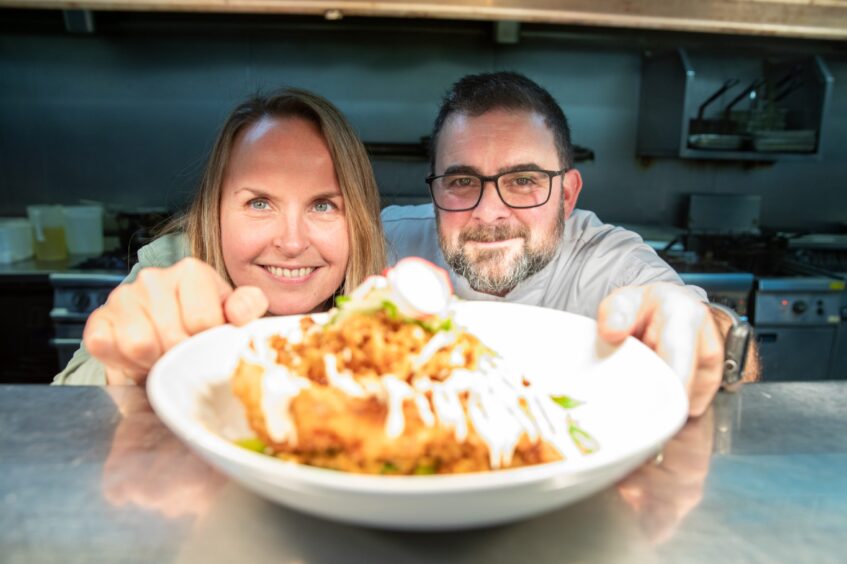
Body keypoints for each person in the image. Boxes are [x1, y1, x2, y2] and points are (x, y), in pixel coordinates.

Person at [382, 71, 757, 417]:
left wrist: (715, 332)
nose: (489, 212)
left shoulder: (612, 265)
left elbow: (706, 333)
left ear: (566, 195)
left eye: (524, 180)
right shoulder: (388, 241)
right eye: (462, 182)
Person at [54, 88, 386, 386]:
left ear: (358, 222)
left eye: (323, 205)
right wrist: (125, 372)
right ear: (216, 212)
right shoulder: (172, 266)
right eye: (259, 203)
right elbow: (64, 415)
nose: (293, 243)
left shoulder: (390, 307)